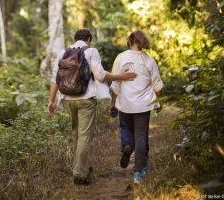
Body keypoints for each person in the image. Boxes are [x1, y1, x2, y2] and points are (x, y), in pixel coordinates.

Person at [47, 28, 137, 185]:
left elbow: (55, 78)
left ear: (75, 39)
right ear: (88, 39)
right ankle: (79, 175)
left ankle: (84, 166)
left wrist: (51, 100)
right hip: (86, 99)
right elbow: (101, 75)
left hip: (68, 99)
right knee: (84, 136)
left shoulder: (63, 53)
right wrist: (120, 76)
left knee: (76, 134)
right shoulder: (91, 51)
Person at [110, 30, 163, 184]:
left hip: (125, 104)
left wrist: (113, 103)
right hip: (143, 105)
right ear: (142, 42)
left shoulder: (121, 58)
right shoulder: (149, 60)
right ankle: (138, 172)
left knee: (132, 135)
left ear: (129, 40)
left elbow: (115, 84)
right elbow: (158, 85)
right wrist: (160, 102)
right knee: (140, 137)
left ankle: (133, 155)